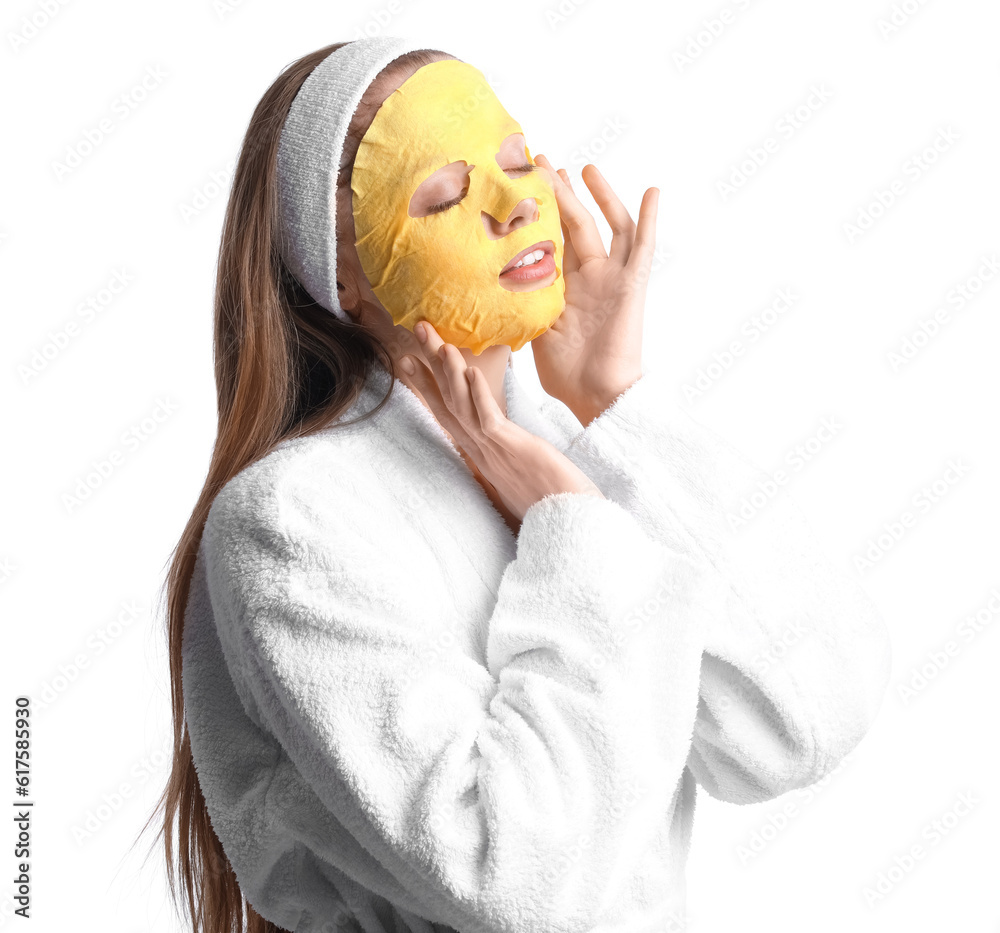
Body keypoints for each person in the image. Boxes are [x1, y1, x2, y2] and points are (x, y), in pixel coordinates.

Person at [142, 36, 892, 933]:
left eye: (514, 159)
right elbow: (518, 877)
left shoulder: (569, 456)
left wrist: (614, 410)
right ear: (343, 277)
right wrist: (568, 525)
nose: (509, 203)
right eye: (446, 193)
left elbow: (803, 722)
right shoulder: (290, 519)